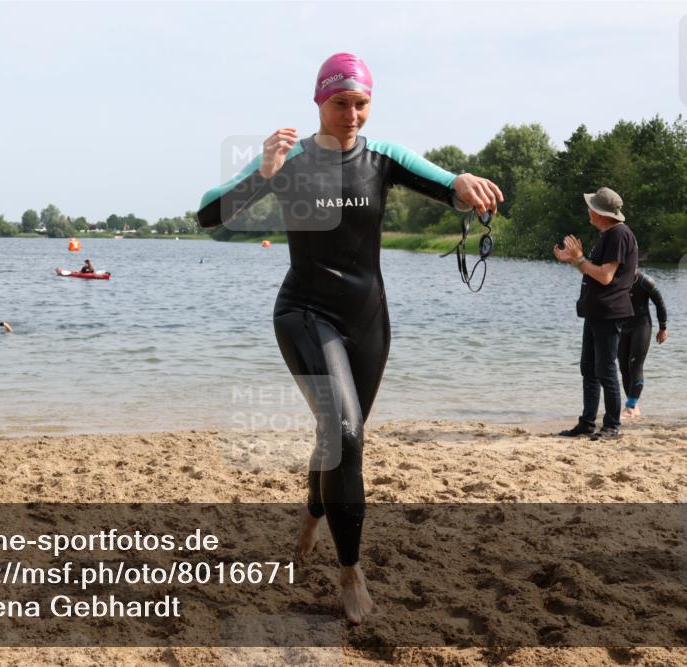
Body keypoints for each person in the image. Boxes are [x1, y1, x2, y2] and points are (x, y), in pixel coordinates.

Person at [196, 52, 502, 624]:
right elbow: (209, 217)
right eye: (342, 103)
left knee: (339, 437)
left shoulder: (385, 157)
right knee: (344, 430)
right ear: (319, 100)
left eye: (362, 103)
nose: (353, 114)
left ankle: (312, 515)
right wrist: (262, 173)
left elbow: (446, 186)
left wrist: (462, 183)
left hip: (369, 319)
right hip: (304, 312)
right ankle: (350, 571)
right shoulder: (287, 158)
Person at [554, 187, 638, 441]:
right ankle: (587, 423)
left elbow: (605, 276)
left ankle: (612, 425)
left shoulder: (618, 235)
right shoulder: (608, 234)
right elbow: (594, 272)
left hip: (609, 313)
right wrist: (574, 260)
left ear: (601, 213)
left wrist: (579, 259)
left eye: (591, 207)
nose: (588, 211)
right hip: (598, 312)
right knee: (589, 369)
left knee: (605, 370)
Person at [620, 271, 667, 418]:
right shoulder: (617, 278)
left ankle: (630, 406)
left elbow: (659, 302)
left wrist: (663, 328)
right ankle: (633, 405)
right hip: (622, 326)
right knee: (623, 367)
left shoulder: (645, 281)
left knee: (635, 365)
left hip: (641, 326)